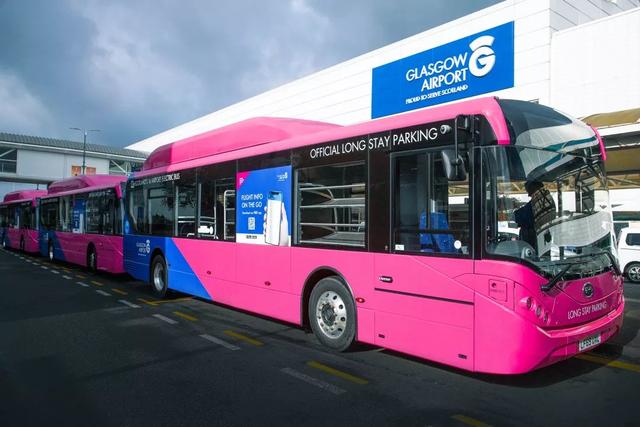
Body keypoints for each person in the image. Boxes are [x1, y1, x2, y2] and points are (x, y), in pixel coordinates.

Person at [514, 180, 556, 250]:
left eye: (529, 191)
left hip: (536, 241)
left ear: (534, 187)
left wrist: (515, 211)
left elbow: (521, 216)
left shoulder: (539, 200)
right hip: (544, 239)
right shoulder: (545, 198)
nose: (528, 195)